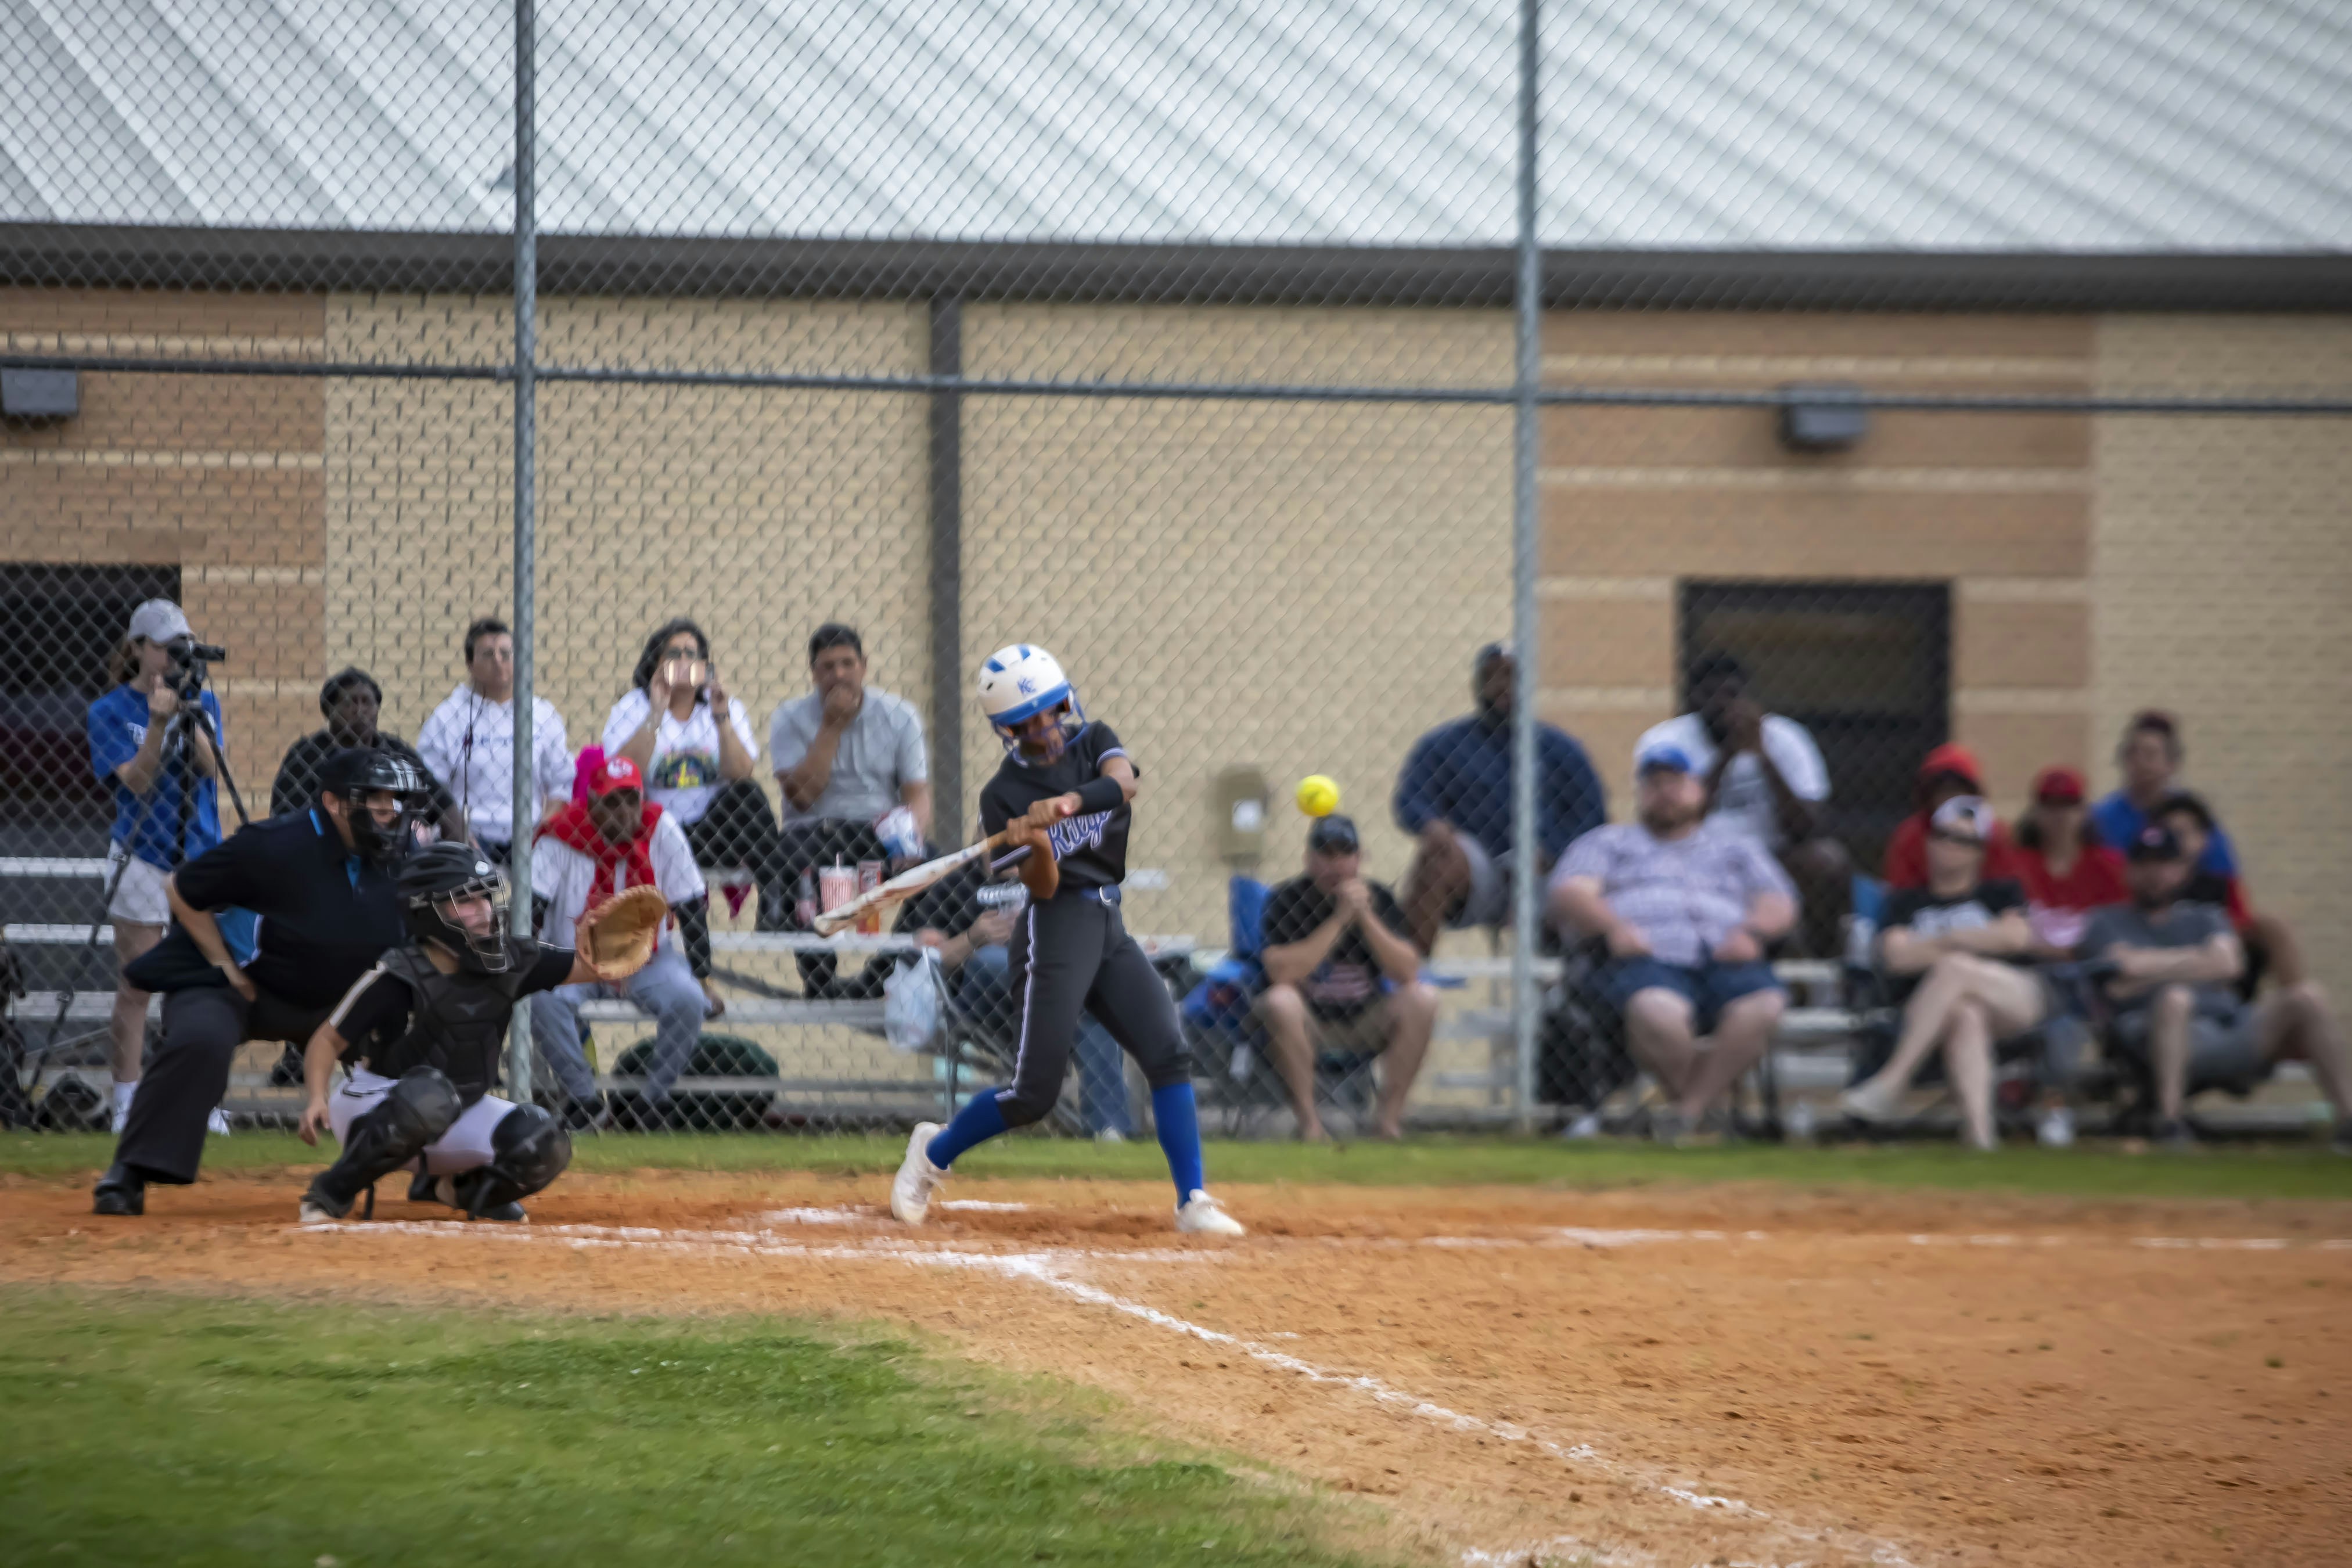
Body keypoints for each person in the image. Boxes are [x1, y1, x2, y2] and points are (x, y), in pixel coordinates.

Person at [890, 643, 1243, 1235]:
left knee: (1167, 1050)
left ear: (1065, 704)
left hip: (1111, 924)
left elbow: (1124, 784)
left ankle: (1193, 1200)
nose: (1043, 730)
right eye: (1025, 724)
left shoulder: (1093, 740)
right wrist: (1038, 843)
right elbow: (1044, 886)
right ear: (1005, 731)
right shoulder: (1002, 796)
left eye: (1050, 712)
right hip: (1056, 930)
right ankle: (932, 1154)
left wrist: (1068, 803)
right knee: (1035, 1094)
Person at [92, 749, 427, 1216]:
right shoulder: (275, 844)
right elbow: (181, 889)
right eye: (375, 798)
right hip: (244, 988)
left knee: (419, 1053)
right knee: (200, 1038)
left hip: (336, 1000)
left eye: (396, 799)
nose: (390, 811)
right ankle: (131, 1170)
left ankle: (448, 1173)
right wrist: (224, 966)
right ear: (333, 803)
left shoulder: (404, 856)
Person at [293, 843, 618, 1224]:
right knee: (430, 1096)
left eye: (485, 898)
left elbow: (591, 967)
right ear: (425, 910)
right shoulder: (398, 974)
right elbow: (327, 1040)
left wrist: (616, 943)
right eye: (465, 901)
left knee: (544, 1142)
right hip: (374, 1105)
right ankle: (331, 1192)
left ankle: (453, 1190)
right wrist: (317, 1098)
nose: (483, 911)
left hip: (455, 1108)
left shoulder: (511, 960)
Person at [1548, 744, 1794, 1143]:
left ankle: (1687, 1113)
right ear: (1641, 792)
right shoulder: (1609, 843)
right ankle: (1707, 1118)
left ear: (1700, 790)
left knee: (1765, 1005)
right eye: (1654, 783)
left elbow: (1780, 901)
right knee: (1658, 1011)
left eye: (1676, 783)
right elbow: (1570, 893)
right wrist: (1612, 927)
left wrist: (1752, 932)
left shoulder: (1736, 847)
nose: (1665, 792)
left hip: (1726, 957)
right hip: (1646, 960)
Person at [2081, 825, 2352, 1151]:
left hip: (2229, 1029)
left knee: (2307, 997)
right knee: (2175, 999)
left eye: (2165, 863)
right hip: (2151, 1035)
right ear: (2130, 870)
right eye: (2145, 863)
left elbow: (2229, 965)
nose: (2155, 873)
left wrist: (2147, 964)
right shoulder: (2105, 922)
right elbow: (2119, 977)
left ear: (2183, 871)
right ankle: (2170, 1124)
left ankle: (2348, 1119)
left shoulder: (2207, 916)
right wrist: (2199, 961)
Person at [855, 859, 1134, 1139]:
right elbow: (927, 959)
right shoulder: (955, 882)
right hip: (984, 1000)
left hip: (1051, 997)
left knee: (1094, 1010)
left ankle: (1109, 1130)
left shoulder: (1053, 878)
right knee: (991, 960)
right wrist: (974, 937)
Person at [1837, 798, 2052, 1150]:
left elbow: (2016, 937)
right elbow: (1896, 956)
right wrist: (1979, 940)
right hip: (1940, 1013)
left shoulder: (2000, 892)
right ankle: (1981, 1137)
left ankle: (1894, 1080)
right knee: (1965, 1014)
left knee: (1954, 969)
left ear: (1981, 851)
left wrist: (1944, 942)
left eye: (1964, 841)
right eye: (1943, 836)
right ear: (1929, 842)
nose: (1950, 847)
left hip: (2016, 997)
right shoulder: (1905, 902)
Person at [85, 599, 224, 1135]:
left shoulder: (203, 700)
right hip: (143, 852)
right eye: (166, 648)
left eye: (182, 647)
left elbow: (211, 768)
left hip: (200, 852)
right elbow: (136, 781)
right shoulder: (111, 710)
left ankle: (203, 1101)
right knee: (138, 984)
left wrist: (189, 712)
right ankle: (128, 1099)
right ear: (140, 650)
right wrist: (160, 723)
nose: (174, 657)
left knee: (204, 986)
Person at [527, 755, 714, 1128]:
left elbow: (690, 905)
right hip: (573, 960)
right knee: (538, 999)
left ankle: (651, 1103)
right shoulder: (562, 833)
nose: (624, 812)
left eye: (631, 800)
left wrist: (705, 977)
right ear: (592, 803)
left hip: (648, 960)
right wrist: (531, 967)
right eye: (612, 802)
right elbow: (532, 909)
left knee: (690, 1000)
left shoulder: (660, 827)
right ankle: (585, 1101)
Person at [1394, 642, 1607, 954]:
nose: (1503, 687)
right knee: (1436, 857)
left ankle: (1561, 992)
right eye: (1493, 677)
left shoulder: (1561, 748)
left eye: (1513, 676)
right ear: (1478, 685)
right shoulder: (1445, 745)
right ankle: (1411, 972)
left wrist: (1554, 853)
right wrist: (1431, 825)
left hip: (1545, 869)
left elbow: (1593, 816)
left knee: (1586, 881)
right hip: (1480, 870)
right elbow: (1411, 799)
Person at [603, 620, 772, 1001]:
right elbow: (623, 774)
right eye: (673, 654)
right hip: (655, 835)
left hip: (710, 830)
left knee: (749, 795)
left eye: (691, 654)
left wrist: (721, 717)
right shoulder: (633, 708)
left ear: (705, 666)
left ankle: (776, 899)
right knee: (678, 861)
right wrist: (657, 713)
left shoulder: (722, 709)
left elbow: (740, 772)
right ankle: (701, 978)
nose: (683, 661)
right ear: (655, 663)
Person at [1635, 653, 1847, 954]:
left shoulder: (1785, 738)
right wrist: (1728, 755)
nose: (1722, 705)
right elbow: (1674, 818)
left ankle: (1824, 969)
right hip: (1693, 855)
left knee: (1827, 860)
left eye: (1731, 695)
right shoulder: (1666, 740)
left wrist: (1763, 758)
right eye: (1710, 695)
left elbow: (1808, 827)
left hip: (1773, 854)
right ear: (1693, 700)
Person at [767, 623, 934, 997]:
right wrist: (831, 726)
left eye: (847, 663)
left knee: (940, 871)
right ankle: (820, 980)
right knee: (793, 858)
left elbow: (917, 794)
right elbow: (802, 798)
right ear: (813, 673)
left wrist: (912, 837)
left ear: (864, 666)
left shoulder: (900, 715)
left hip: (879, 832)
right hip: (815, 831)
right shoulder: (789, 718)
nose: (839, 674)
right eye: (828, 666)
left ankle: (884, 975)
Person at [1256, 814, 1438, 1141]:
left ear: (1359, 858)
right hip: (1309, 1023)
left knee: (1422, 998)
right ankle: (1310, 1126)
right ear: (1309, 859)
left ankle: (1387, 1123)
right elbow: (1280, 971)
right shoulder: (1288, 899)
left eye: (1344, 854)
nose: (1335, 864)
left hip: (1365, 1020)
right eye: (1326, 854)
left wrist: (1365, 916)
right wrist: (1340, 921)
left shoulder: (1378, 898)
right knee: (1280, 1000)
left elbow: (1408, 969)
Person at [415, 617, 574, 862]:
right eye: (488, 654)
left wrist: (541, 833)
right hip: (468, 839)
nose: (498, 662)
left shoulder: (542, 714)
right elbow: (431, 787)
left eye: (506, 653)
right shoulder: (447, 718)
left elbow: (561, 785)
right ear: (470, 663)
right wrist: (460, 834)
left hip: (530, 841)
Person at [270, 667, 465, 841]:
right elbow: (285, 819)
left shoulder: (395, 750)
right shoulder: (307, 754)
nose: (359, 710)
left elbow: (443, 805)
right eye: (349, 703)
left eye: (367, 702)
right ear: (329, 711)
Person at [2155, 790, 2306, 993]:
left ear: (2204, 840)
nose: (2178, 843)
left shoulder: (2221, 885)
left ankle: (2296, 996)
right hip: (2169, 971)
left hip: (2221, 965)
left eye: (2184, 833)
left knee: (2272, 925)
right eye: (2170, 834)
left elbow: (2240, 927)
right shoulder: (2148, 886)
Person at [2092, 711, 2238, 879]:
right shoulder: (2102, 818)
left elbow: (2224, 877)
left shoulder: (2191, 818)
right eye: (2133, 753)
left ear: (2172, 763)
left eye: (2150, 755)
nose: (2140, 763)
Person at [2012, 765, 2127, 959]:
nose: (2060, 815)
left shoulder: (2110, 865)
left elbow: (2123, 925)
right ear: (2035, 812)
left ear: (2084, 811)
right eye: (2051, 805)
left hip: (2095, 968)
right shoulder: (2016, 864)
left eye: (2069, 804)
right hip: (2032, 966)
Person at [1882, 742, 2025, 889]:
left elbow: (2010, 890)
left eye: (1957, 791)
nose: (1950, 800)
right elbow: (1899, 893)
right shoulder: (1911, 835)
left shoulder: (1994, 834)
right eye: (1942, 792)